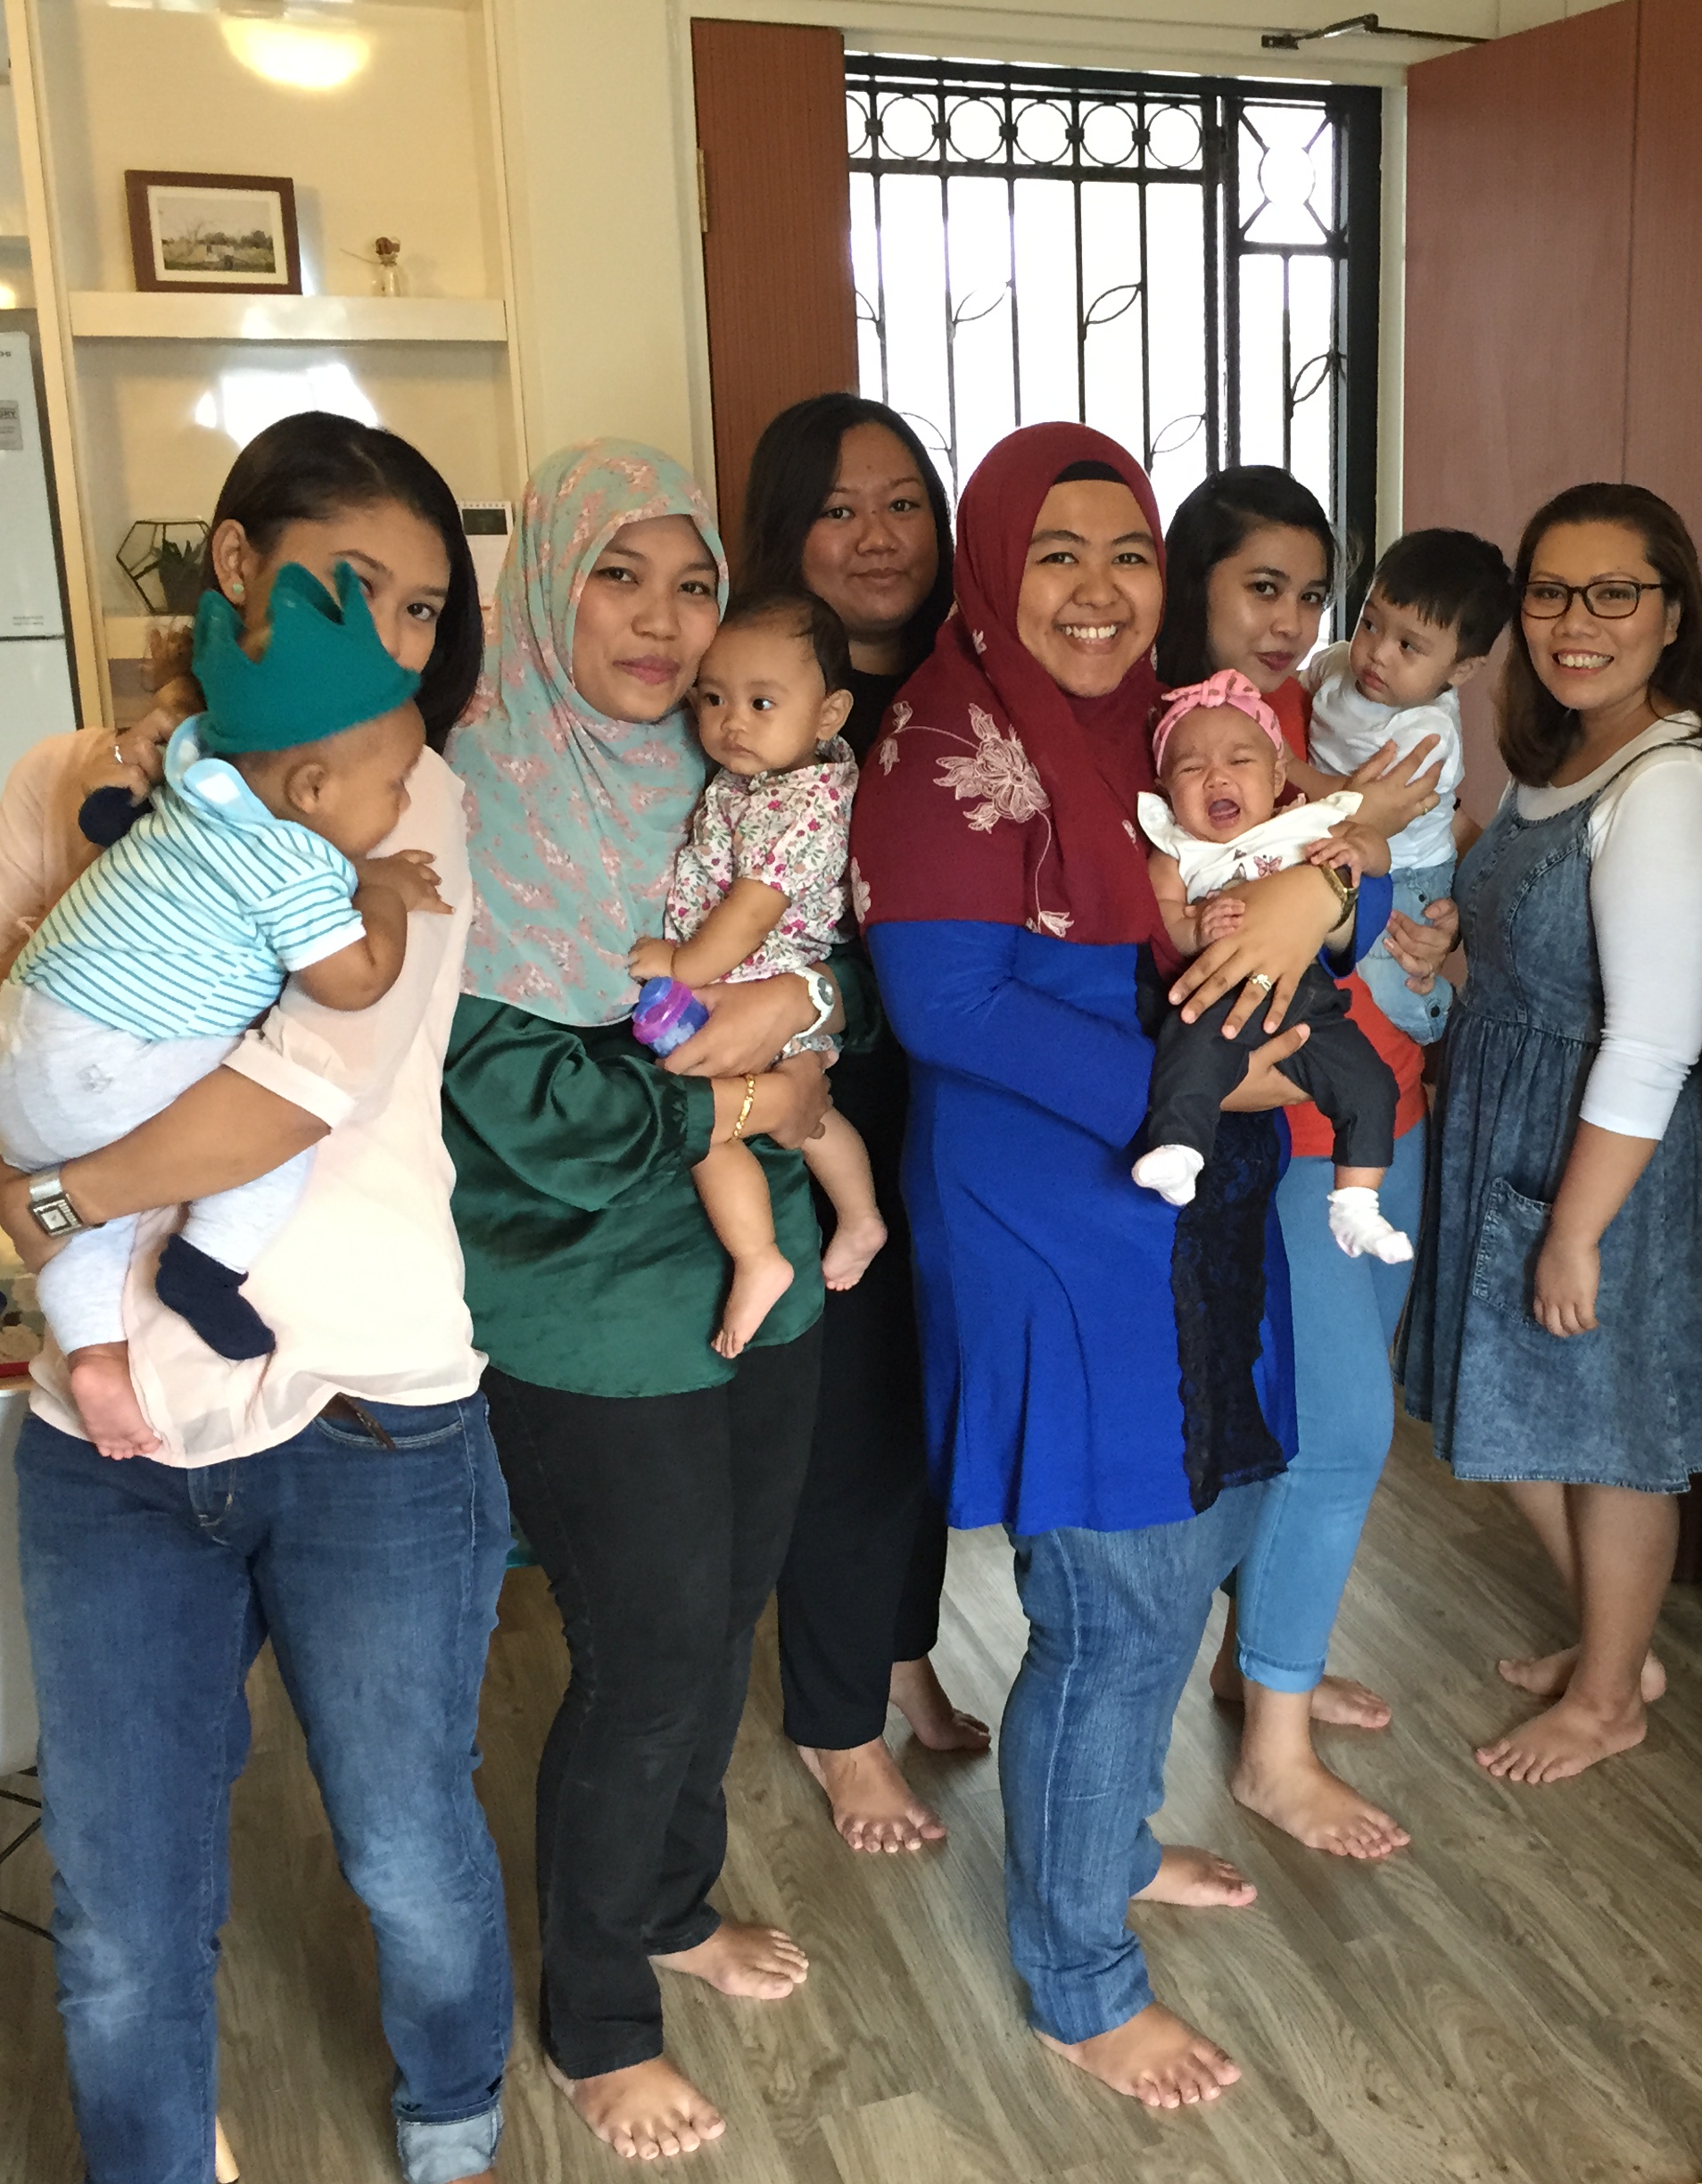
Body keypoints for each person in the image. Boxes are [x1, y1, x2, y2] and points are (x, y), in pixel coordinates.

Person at [0, 411, 509, 2184]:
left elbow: (292, 1091)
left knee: (402, 1844)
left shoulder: (404, 790)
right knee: (117, 1907)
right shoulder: (65, 779)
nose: (393, 638)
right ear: (238, 565)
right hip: (108, 1446)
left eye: (422, 609)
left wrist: (55, 1194)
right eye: (354, 587)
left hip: (371, 1410)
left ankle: (454, 2095)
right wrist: (132, 851)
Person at [849, 422, 1385, 2105]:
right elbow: (947, 1008)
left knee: (1199, 1538)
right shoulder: (942, 744)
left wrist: (1316, 904)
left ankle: (1111, 1836)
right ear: (992, 568)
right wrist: (1217, 1080)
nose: (1097, 588)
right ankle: (1079, 1982)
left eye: (1129, 553)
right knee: (1116, 1600)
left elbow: (1320, 865)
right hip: (1054, 1225)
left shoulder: (1163, 730)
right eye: (1056, 553)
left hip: (1196, 1218)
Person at [445, 441, 839, 2164]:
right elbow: (521, 1109)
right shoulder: (464, 799)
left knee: (723, 1616)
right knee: (647, 1651)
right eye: (618, 575)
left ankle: (670, 1903)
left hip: (761, 1282)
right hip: (584, 1299)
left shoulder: (723, 767)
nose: (662, 621)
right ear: (544, 584)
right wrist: (752, 1087)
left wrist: (801, 1008)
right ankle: (599, 2009)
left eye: (692, 585)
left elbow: (827, 960)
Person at [1400, 480, 1702, 1784]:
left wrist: (1577, 1230)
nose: (1577, 622)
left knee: (1610, 1436)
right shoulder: (1565, 757)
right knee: (1515, 1406)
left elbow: (1658, 1032)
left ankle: (1611, 1693)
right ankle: (1619, 1648)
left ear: (1672, 615)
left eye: (1615, 594)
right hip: (1514, 1113)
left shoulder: (1670, 778)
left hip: (1609, 1147)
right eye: (1552, 593)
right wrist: (1451, 942)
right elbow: (1535, 940)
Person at [0, 567, 447, 1455]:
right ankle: (207, 1264)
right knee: (275, 1121)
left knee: (92, 1214)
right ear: (312, 791)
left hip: (25, 1042)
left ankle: (95, 1357)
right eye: (395, 784)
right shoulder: (289, 861)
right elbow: (352, 981)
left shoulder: (199, 786)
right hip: (110, 1053)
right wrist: (382, 890)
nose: (404, 802)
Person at [1155, 465, 1446, 1858]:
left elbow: (1370, 895)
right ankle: (1274, 1754)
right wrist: (1348, 856)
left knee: (1323, 1425)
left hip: (1391, 1108)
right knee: (1342, 1437)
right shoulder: (1185, 754)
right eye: (1260, 587)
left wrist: (1374, 876)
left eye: (1311, 594)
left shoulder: (1304, 728)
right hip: (1298, 1130)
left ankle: (1267, 1659)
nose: (1289, 621)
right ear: (1196, 584)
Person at [739, 394, 985, 1854]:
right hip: (825, 1095)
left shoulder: (966, 692)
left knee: (923, 1393)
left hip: (959, 1091)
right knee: (849, 1415)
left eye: (903, 504)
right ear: (787, 531)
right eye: (837, 509)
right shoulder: (755, 703)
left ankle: (901, 1653)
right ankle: (836, 1725)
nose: (878, 535)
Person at [627, 587, 885, 1354]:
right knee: (816, 1120)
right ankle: (862, 1218)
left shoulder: (799, 806)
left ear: (829, 715)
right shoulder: (775, 779)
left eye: (762, 703)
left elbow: (750, 910)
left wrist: (681, 964)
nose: (731, 722)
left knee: (707, 1129)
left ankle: (759, 1256)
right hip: (773, 990)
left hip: (755, 981)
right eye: (713, 699)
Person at [1133, 671, 1410, 1265]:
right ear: (1165, 787)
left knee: (1371, 1083)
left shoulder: (1305, 825)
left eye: (1240, 760)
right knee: (1189, 1048)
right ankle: (1180, 1149)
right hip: (1222, 994)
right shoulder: (1178, 852)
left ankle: (1356, 1204)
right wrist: (1195, 928)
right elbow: (1165, 919)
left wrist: (1357, 851)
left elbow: (1379, 852)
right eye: (1191, 768)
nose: (1217, 777)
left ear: (1278, 777)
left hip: (1310, 1003)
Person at [1289, 525, 1508, 1038]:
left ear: (1462, 670)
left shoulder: (1426, 735)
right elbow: (1301, 684)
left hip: (1408, 869)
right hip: (1353, 848)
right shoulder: (1340, 664)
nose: (1378, 652)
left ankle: (1441, 1021)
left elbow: (1359, 807)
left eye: (1409, 645)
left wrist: (1290, 768)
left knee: (1387, 981)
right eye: (1370, 623)